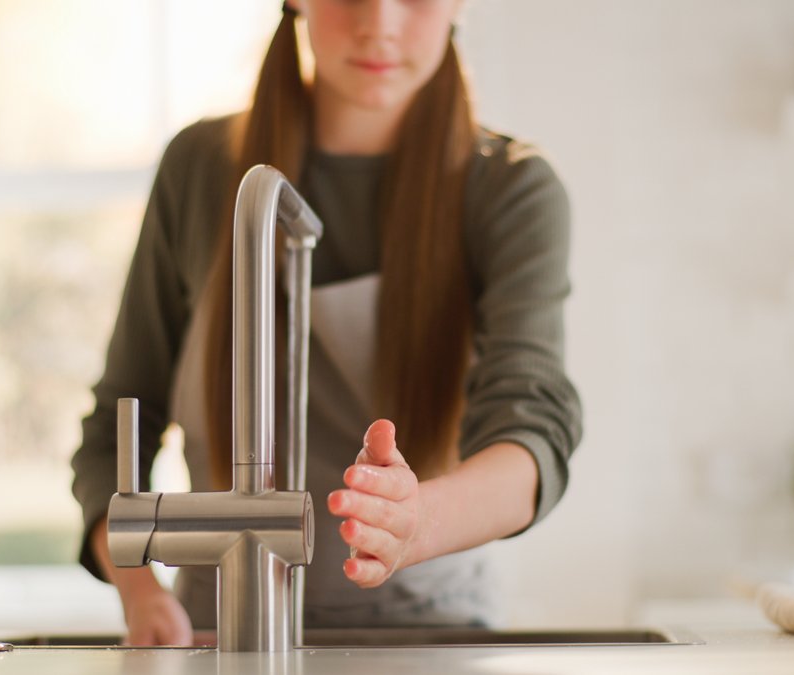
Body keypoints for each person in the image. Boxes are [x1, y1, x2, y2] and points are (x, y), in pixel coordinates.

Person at [71, 0, 582, 646]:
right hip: (218, 629)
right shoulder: (197, 168)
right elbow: (117, 422)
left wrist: (417, 521)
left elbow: (532, 429)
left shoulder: (511, 191)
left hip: (432, 635)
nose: (381, 23)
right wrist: (141, 593)